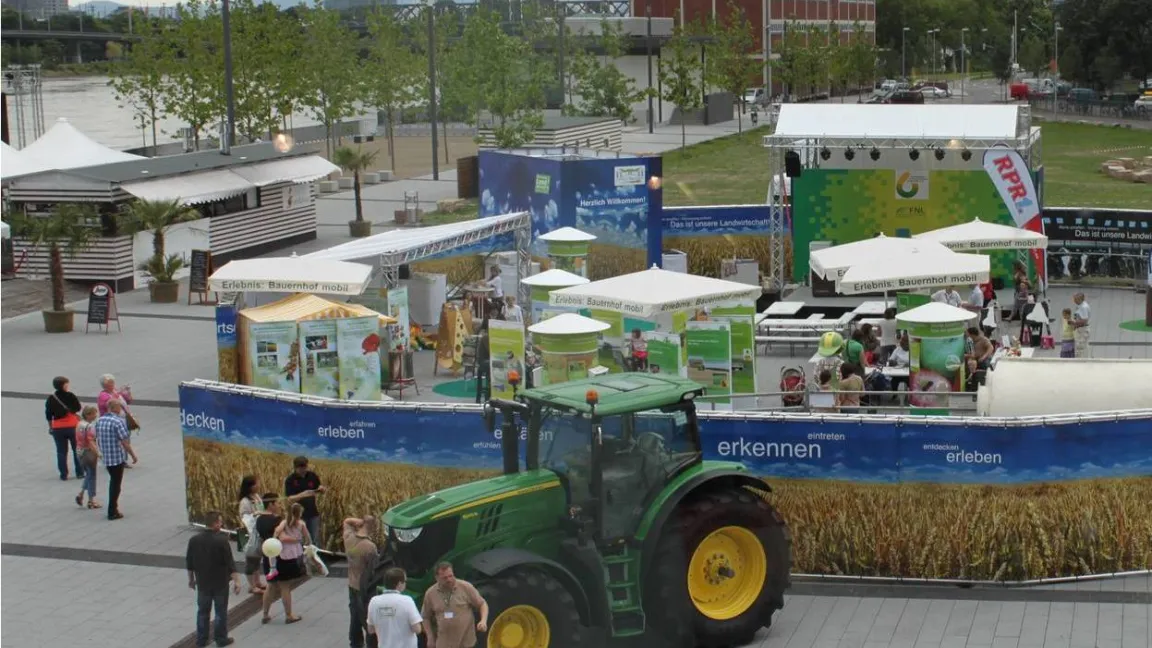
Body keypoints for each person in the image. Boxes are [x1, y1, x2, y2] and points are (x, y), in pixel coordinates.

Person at [186, 511, 242, 648]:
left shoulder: (194, 540)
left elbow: (189, 562)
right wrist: (237, 581)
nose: (222, 524)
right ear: (215, 523)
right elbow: (230, 563)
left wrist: (191, 580)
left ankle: (201, 640)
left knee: (202, 612)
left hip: (203, 582)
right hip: (220, 582)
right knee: (220, 611)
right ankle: (221, 639)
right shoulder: (222, 541)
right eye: (220, 521)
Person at [421, 562, 489, 648]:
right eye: (445, 578)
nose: (449, 579)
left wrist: (483, 621)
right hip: (443, 644)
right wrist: (430, 637)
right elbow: (425, 616)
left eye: (451, 576)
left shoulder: (465, 587)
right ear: (437, 578)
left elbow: (482, 604)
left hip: (466, 644)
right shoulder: (430, 593)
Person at [257, 495, 298, 625]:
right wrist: (298, 540)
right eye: (277, 503)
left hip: (268, 555)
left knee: (271, 585)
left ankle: (265, 614)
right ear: (270, 505)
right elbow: (283, 538)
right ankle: (289, 615)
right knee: (285, 586)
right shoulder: (277, 520)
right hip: (281, 555)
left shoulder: (259, 520)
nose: (279, 506)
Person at [96, 399, 138, 521]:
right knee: (116, 483)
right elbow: (125, 441)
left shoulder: (100, 420)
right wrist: (133, 455)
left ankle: (113, 508)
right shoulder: (118, 422)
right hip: (116, 457)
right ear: (116, 408)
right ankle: (112, 510)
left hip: (106, 456)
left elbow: (96, 437)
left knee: (113, 480)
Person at [344, 515, 379, 648]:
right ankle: (371, 644)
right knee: (367, 619)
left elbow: (346, 521)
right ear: (372, 527)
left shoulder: (348, 537)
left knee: (354, 617)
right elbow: (373, 569)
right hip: (363, 587)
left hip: (351, 583)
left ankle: (355, 643)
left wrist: (358, 522)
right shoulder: (370, 547)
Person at [367, 568, 423, 648]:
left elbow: (370, 629)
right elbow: (417, 629)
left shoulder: (374, 601)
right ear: (399, 583)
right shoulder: (407, 601)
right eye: (405, 581)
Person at [45, 376, 83, 481]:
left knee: (61, 451)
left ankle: (63, 474)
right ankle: (79, 472)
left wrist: (51, 427)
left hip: (58, 428)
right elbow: (78, 408)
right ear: (64, 385)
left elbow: (48, 415)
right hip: (72, 426)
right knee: (77, 449)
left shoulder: (51, 398)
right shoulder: (70, 395)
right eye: (67, 384)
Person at [284, 456, 325, 547]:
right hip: (298, 515)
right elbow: (290, 498)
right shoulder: (290, 480)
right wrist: (303, 494)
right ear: (295, 468)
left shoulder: (312, 476)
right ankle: (301, 559)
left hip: (313, 513)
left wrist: (321, 489)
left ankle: (314, 558)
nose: (303, 470)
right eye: (300, 468)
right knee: (301, 540)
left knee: (315, 538)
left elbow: (319, 488)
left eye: (305, 467)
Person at [237, 476, 267, 595]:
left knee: (257, 558)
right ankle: (251, 585)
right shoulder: (245, 502)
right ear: (250, 486)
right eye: (256, 483)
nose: (258, 485)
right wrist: (256, 514)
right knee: (251, 560)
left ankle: (257, 582)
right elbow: (245, 518)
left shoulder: (257, 496)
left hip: (258, 531)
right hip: (249, 533)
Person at [74, 406, 101, 509]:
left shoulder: (79, 424)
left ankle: (81, 494)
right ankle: (91, 500)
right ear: (88, 415)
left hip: (79, 452)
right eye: (94, 413)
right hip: (88, 452)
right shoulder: (89, 426)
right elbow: (90, 441)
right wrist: (98, 453)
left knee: (89, 474)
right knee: (92, 475)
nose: (95, 416)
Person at [1072, 292, 1091, 358]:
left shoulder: (1083, 307)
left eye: (1075, 299)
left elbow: (1084, 320)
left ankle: (1081, 361)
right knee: (1082, 346)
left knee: (1080, 347)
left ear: (1080, 299)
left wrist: (1075, 323)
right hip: (1080, 329)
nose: (1074, 300)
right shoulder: (1080, 305)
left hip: (1083, 330)